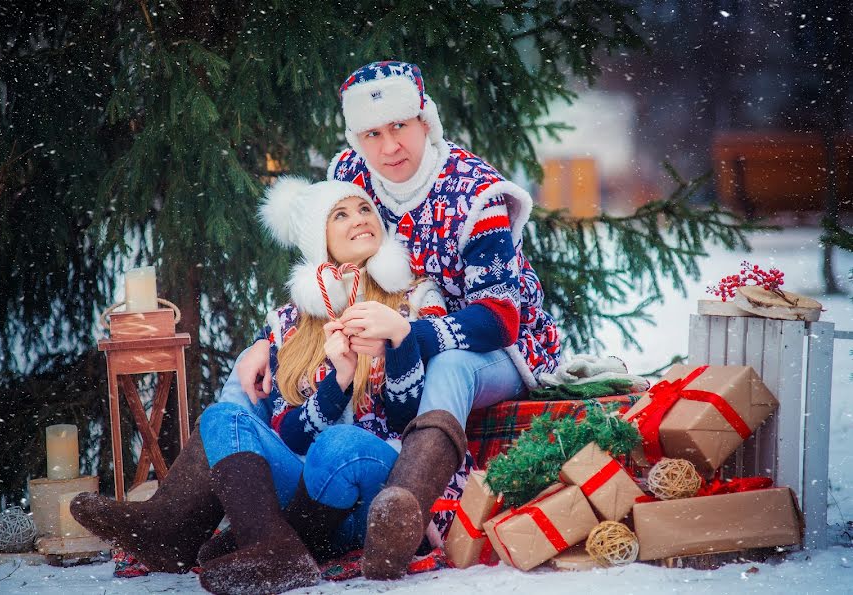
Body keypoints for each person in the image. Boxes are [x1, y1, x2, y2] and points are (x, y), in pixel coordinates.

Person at [233, 61, 563, 580]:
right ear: (356, 137)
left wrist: (407, 334)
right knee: (248, 372)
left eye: (400, 127)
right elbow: (323, 256)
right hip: (394, 332)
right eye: (373, 133)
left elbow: (499, 318)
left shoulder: (476, 194)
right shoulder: (351, 174)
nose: (389, 147)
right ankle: (205, 511)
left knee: (452, 366)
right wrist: (262, 341)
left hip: (497, 347)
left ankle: (405, 511)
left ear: (425, 121)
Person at [72, 177, 468, 592]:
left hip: (376, 486)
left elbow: (412, 417)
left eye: (365, 209)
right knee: (225, 417)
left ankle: (218, 534)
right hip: (308, 494)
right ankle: (260, 544)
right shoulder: (289, 322)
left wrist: (401, 341)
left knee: (339, 445)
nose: (359, 220)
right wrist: (340, 382)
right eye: (341, 214)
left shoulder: (417, 297)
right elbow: (288, 432)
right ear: (319, 237)